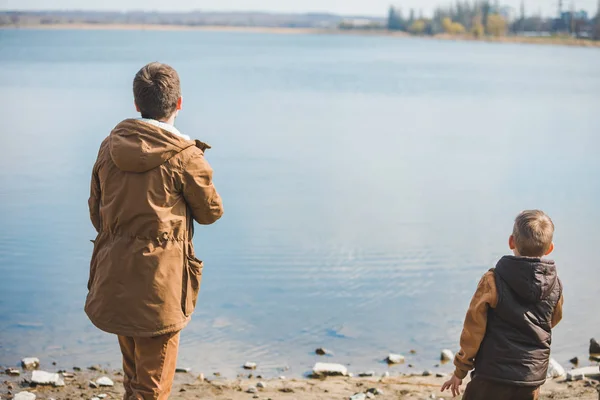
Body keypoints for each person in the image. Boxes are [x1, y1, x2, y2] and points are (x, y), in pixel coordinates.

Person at [85, 62, 224, 400]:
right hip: (158, 285)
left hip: (115, 275)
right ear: (178, 104)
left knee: (134, 377)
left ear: (136, 104)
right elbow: (211, 213)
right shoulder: (187, 156)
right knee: (151, 387)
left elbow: (96, 213)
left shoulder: (109, 146)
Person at [441, 210, 564, 400]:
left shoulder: (493, 280)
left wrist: (460, 370)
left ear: (511, 242)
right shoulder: (555, 286)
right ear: (550, 248)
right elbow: (551, 321)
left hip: (492, 373)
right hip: (530, 377)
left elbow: (473, 329)